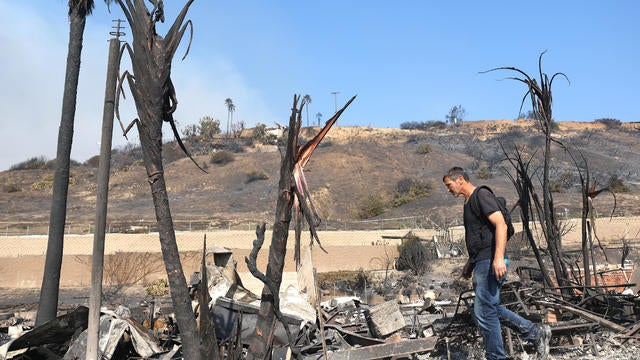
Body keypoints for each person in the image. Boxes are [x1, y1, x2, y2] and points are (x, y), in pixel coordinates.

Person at [442, 166, 551, 360]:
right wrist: (469, 266)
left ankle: (498, 356)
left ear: (460, 179)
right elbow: (480, 239)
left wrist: (499, 258)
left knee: (484, 312)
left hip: (492, 261)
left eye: (449, 185)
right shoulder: (468, 203)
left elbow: (500, 224)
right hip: (482, 262)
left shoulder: (481, 195)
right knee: (488, 309)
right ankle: (535, 333)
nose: (448, 190)